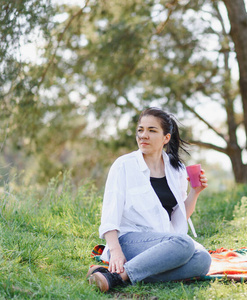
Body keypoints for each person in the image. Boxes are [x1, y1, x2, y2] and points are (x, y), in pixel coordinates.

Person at [87, 107, 211, 292]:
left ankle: (118, 275)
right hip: (129, 239)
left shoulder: (176, 169)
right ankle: (118, 276)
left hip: (162, 241)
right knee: (183, 243)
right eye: (140, 130)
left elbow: (178, 218)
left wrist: (196, 192)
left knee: (203, 259)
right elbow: (109, 215)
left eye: (152, 130)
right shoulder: (124, 165)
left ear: (166, 138)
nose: (143, 135)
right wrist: (115, 251)